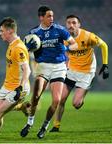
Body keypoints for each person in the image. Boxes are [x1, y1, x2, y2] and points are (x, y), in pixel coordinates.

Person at [20, 6, 78, 139]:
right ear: (41, 17)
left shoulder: (60, 30)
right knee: (35, 96)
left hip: (59, 67)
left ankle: (44, 126)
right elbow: (25, 51)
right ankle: (29, 123)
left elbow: (74, 44)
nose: (52, 18)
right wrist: (26, 51)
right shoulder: (34, 33)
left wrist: (67, 48)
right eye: (48, 16)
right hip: (43, 67)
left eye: (52, 16)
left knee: (56, 100)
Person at [49, 14, 109, 132]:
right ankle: (56, 126)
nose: (71, 25)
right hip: (71, 70)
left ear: (79, 25)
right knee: (60, 99)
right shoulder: (64, 38)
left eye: (74, 23)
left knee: (76, 104)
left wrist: (105, 65)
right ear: (66, 25)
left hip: (86, 72)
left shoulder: (88, 36)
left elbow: (104, 45)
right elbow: (65, 53)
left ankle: (83, 92)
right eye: (69, 23)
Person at [0, 17, 31, 142]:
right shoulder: (11, 45)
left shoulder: (18, 47)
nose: (0, 33)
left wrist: (21, 87)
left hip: (17, 88)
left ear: (10, 31)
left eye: (2, 31)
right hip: (7, 85)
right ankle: (22, 107)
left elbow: (27, 70)